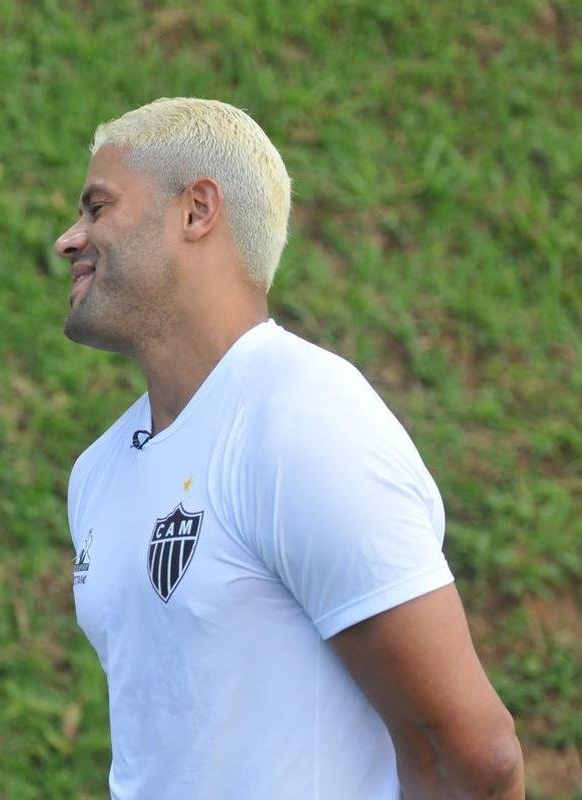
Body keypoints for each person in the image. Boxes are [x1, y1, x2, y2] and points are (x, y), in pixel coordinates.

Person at [55, 99, 522, 798]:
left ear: (196, 209)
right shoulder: (99, 469)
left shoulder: (300, 420)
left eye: (97, 207)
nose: (69, 238)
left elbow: (467, 756)